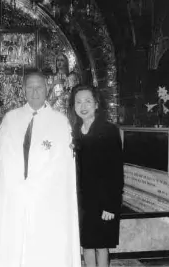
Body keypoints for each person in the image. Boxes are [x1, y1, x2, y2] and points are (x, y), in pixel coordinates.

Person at [0, 71, 81, 267]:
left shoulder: (60, 122)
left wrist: (39, 184)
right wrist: (15, 185)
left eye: (39, 87)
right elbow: (0, 163)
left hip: (47, 200)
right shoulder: (10, 119)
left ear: (47, 89)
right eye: (30, 87)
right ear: (23, 90)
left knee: (45, 249)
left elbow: (64, 166)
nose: (35, 92)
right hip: (14, 197)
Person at [68, 84, 124, 267]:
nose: (83, 106)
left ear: (96, 104)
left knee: (101, 246)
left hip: (102, 201)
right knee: (86, 246)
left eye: (88, 101)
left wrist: (110, 205)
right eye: (78, 102)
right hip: (83, 202)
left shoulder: (108, 131)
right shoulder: (74, 132)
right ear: (73, 106)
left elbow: (115, 172)